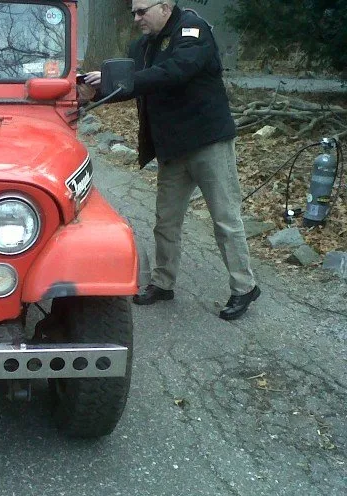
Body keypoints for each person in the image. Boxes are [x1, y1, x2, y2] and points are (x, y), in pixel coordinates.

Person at [80, 0, 260, 320]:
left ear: (164, 7)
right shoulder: (144, 45)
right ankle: (163, 283)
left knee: (225, 219)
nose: (136, 18)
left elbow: (177, 71)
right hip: (172, 148)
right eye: (133, 12)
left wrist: (130, 80)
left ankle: (244, 287)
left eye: (141, 11)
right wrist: (98, 86)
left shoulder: (192, 30)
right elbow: (131, 82)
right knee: (166, 220)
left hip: (208, 143)